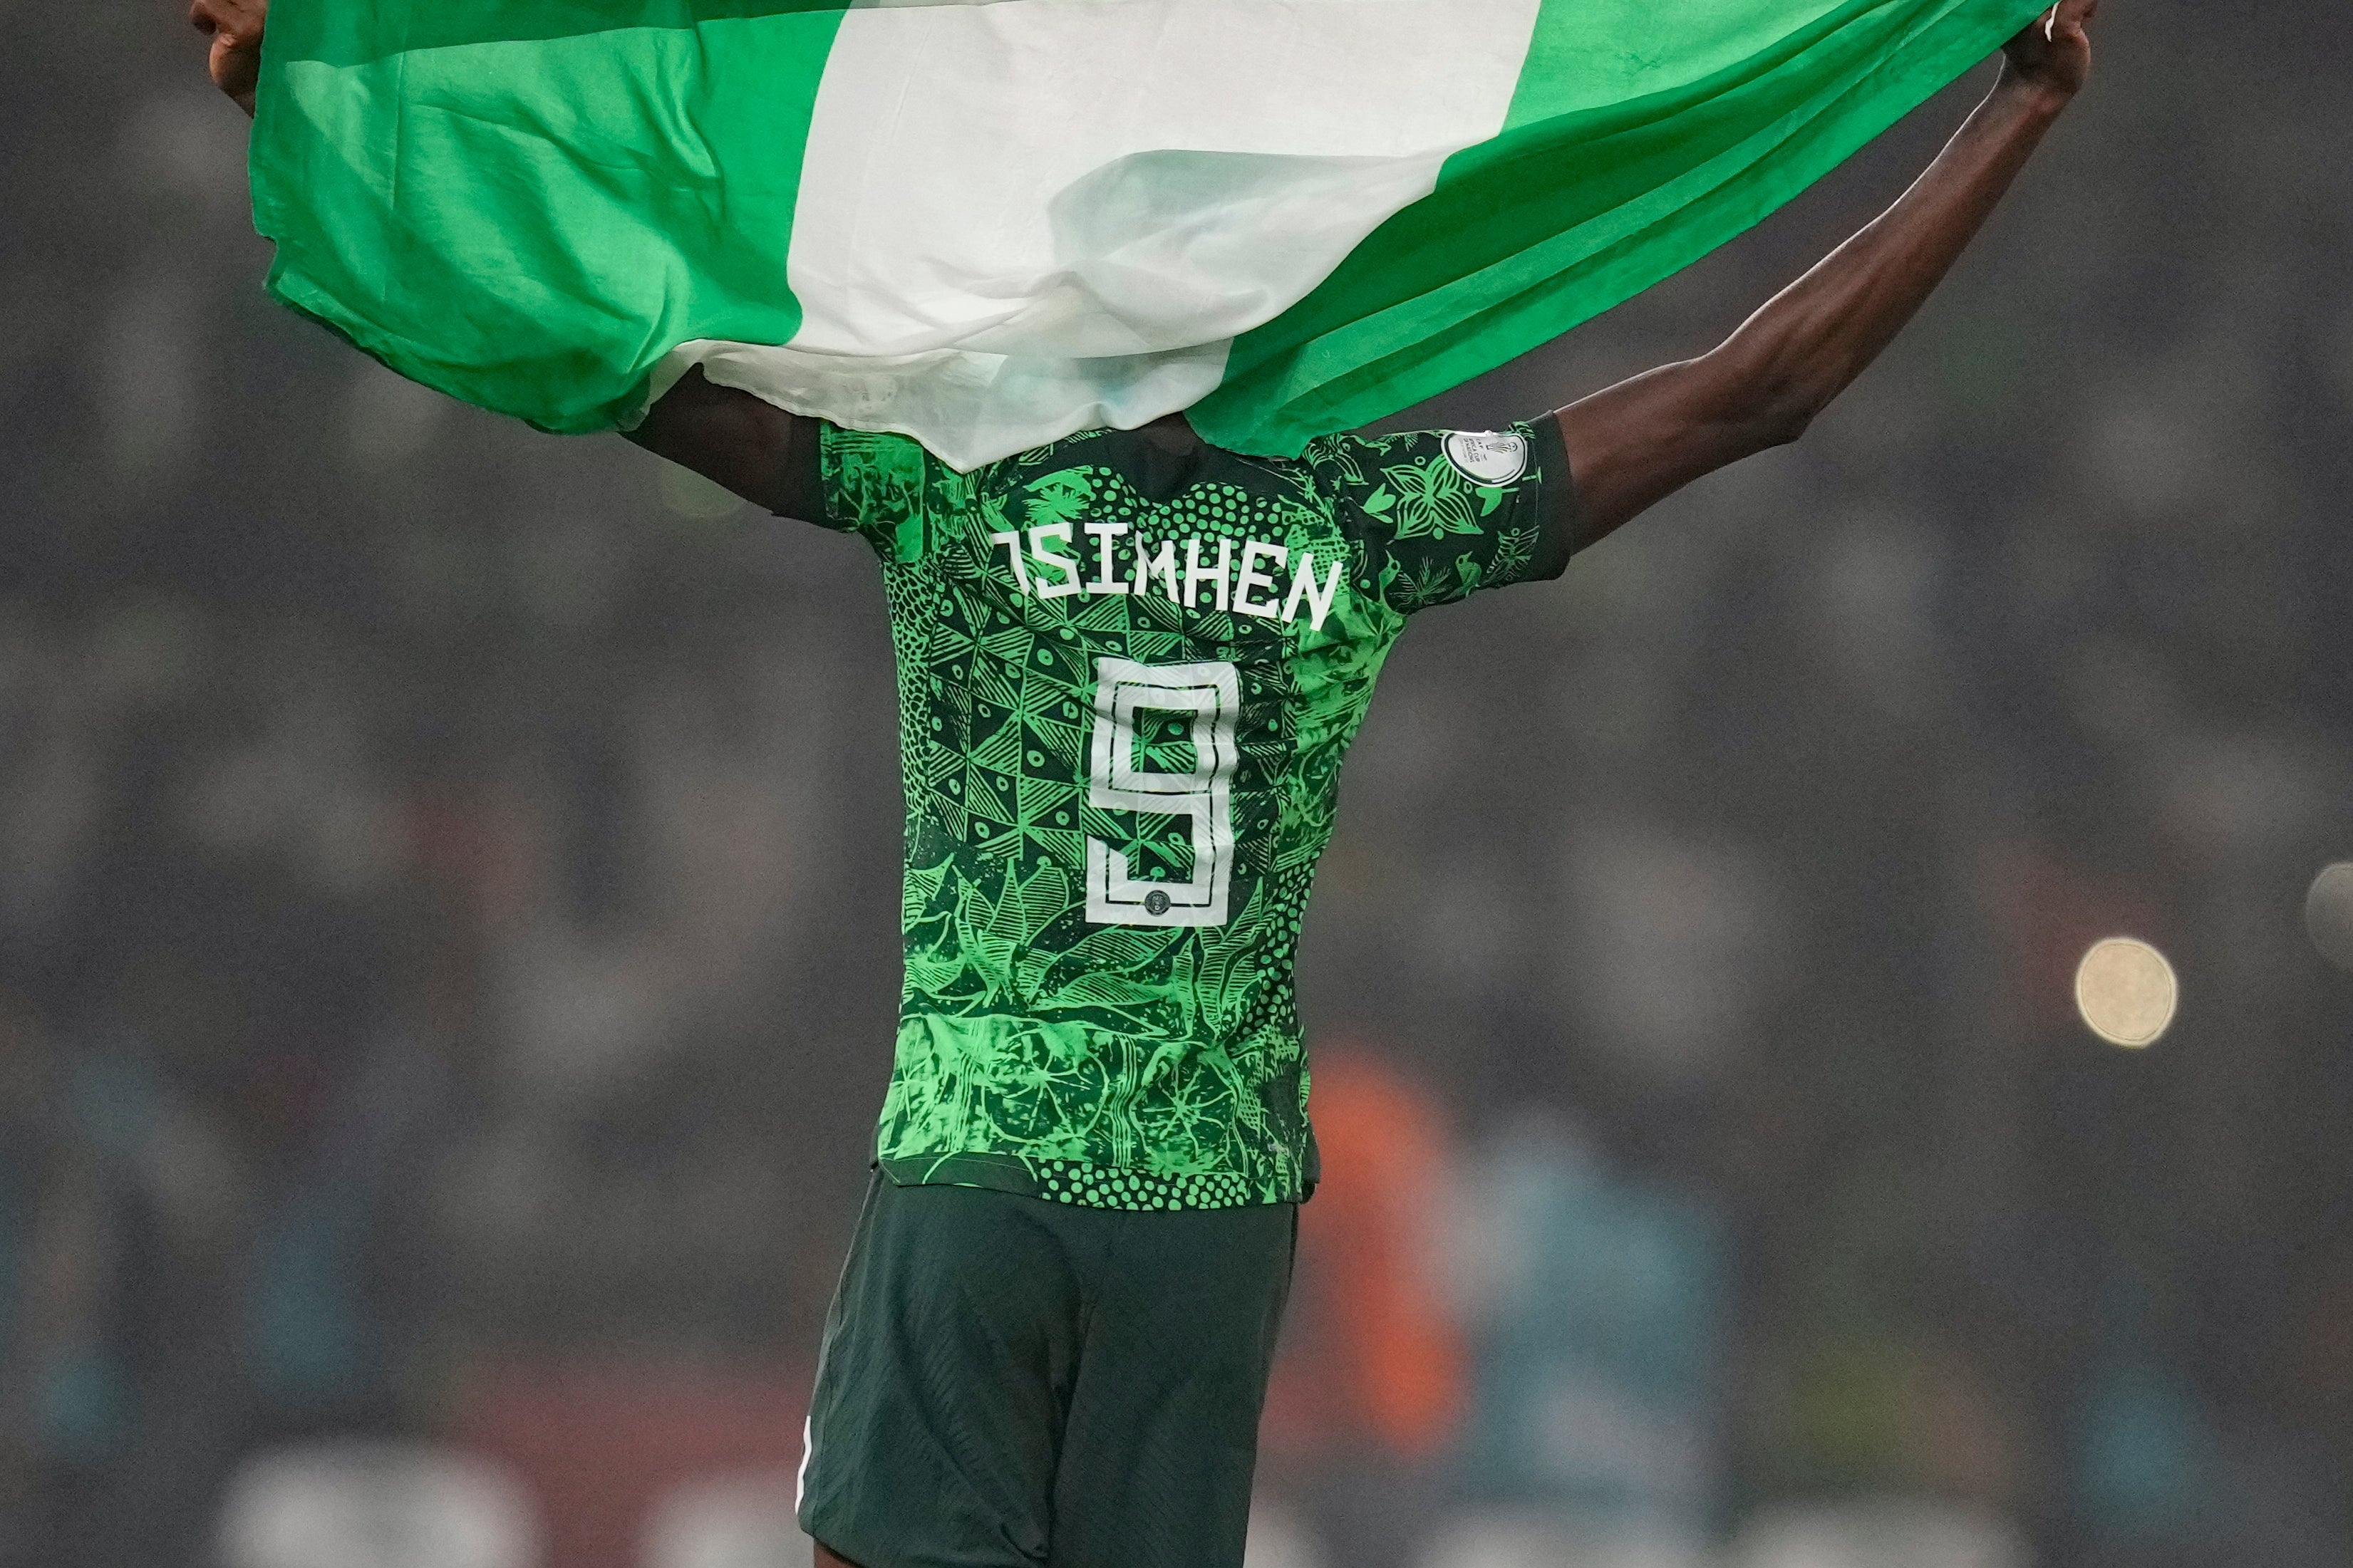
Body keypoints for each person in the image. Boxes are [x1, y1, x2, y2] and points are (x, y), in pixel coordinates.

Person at [190, 3, 2100, 1565]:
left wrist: (328, 107)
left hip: (980, 1158)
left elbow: (620, 362)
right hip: (1207, 1199)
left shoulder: (953, 491)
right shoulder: (1362, 526)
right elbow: (1758, 388)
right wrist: (2012, 105)